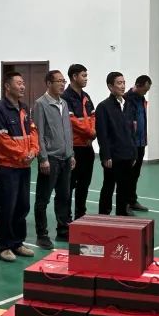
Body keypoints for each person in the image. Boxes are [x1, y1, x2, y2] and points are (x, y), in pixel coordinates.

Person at [0, 72, 39, 261]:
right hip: (8, 167)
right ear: (7, 86)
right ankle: (4, 246)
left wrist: (33, 150)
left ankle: (18, 242)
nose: (22, 86)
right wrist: (22, 154)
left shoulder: (24, 108)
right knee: (6, 207)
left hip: (24, 166)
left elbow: (33, 132)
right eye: (18, 83)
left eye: (23, 83)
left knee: (22, 206)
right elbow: (2, 139)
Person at [33, 70, 75, 248]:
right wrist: (43, 158)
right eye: (59, 81)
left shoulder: (64, 103)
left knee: (64, 196)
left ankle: (63, 230)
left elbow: (68, 131)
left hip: (65, 158)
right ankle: (42, 234)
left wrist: (71, 153)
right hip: (50, 159)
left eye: (63, 81)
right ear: (49, 83)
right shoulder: (40, 104)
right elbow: (38, 134)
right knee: (43, 199)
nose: (62, 84)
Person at [95, 71, 137, 217]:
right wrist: (106, 155)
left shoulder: (128, 105)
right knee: (108, 186)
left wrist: (134, 153)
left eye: (124, 83)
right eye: (119, 83)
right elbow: (102, 134)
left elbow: (131, 131)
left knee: (124, 188)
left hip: (127, 154)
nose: (123, 86)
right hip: (112, 157)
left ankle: (121, 214)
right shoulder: (103, 107)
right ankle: (104, 216)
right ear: (110, 86)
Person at [63, 64, 95, 225]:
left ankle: (81, 216)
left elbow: (93, 116)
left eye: (86, 75)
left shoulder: (86, 96)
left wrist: (93, 133)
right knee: (69, 186)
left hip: (87, 147)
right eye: (83, 75)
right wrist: (89, 132)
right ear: (74, 77)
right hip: (73, 149)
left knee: (84, 185)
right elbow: (71, 121)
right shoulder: (65, 97)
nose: (86, 78)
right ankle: (66, 219)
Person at [125, 75, 152, 212]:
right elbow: (127, 123)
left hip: (141, 143)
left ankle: (132, 200)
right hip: (131, 144)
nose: (146, 92)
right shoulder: (127, 99)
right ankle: (124, 203)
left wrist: (144, 139)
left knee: (135, 174)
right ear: (138, 85)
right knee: (128, 174)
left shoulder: (142, 99)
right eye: (145, 89)